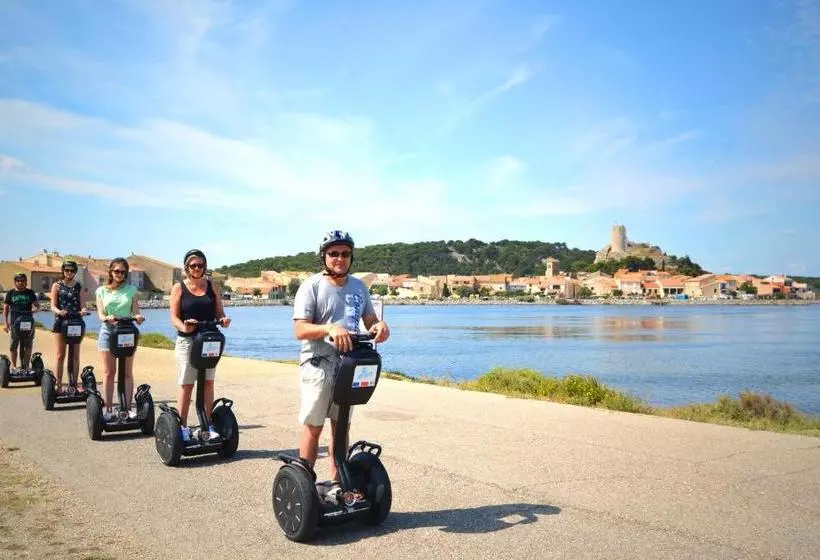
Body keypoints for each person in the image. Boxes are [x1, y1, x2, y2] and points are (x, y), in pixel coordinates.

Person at [292, 230, 390, 498]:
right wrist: (329, 329)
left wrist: (379, 326)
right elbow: (300, 330)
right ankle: (304, 487)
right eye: (333, 253)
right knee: (314, 426)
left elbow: (369, 318)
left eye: (345, 254)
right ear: (324, 256)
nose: (339, 258)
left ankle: (338, 486)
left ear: (351, 257)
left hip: (348, 364)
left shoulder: (359, 287)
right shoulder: (311, 286)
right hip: (318, 362)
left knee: (341, 426)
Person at [169, 249, 230, 442]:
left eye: (201, 265)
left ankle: (208, 425)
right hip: (188, 341)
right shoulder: (179, 287)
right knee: (187, 384)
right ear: (186, 267)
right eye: (193, 265)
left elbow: (219, 311)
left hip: (209, 339)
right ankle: (183, 426)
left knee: (209, 382)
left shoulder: (212, 285)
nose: (197, 268)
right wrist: (185, 327)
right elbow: (174, 317)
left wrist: (224, 319)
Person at [95, 258, 144, 421]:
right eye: (116, 271)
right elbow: (100, 314)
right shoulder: (101, 291)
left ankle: (127, 408)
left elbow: (135, 311)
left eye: (123, 272)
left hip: (127, 331)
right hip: (108, 331)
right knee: (109, 373)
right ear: (110, 271)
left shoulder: (131, 290)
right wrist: (106, 317)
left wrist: (138, 317)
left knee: (127, 373)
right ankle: (108, 408)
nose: (119, 274)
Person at [49, 260, 87, 393]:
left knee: (75, 355)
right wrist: (59, 311)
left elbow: (83, 305)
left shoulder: (79, 286)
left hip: (76, 322)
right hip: (61, 322)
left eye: (71, 271)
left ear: (75, 272)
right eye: (66, 270)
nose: (69, 273)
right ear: (63, 271)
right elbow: (52, 305)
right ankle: (58, 385)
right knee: (60, 355)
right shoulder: (57, 285)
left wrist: (83, 310)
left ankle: (74, 384)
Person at [3, 273, 41, 369]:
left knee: (28, 345)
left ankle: (26, 366)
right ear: (15, 282)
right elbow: (6, 309)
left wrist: (35, 310)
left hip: (28, 323)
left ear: (26, 282)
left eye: (22, 281)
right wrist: (5, 323)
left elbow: (37, 306)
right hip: (14, 323)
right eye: (18, 281)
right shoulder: (11, 293)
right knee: (14, 345)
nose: (20, 283)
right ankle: (14, 366)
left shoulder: (30, 292)